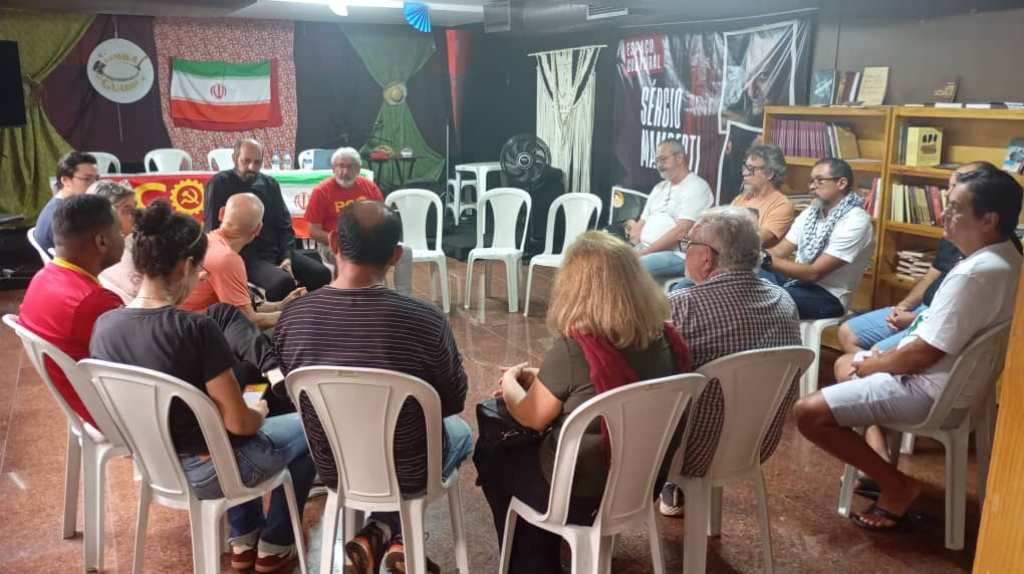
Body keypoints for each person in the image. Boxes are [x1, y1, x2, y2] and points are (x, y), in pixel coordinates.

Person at [794, 164, 1023, 531]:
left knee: (809, 412)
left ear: (988, 219)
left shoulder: (974, 273)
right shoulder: (1008, 256)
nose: (944, 215)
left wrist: (876, 365)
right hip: (949, 381)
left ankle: (896, 484)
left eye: (955, 208)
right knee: (845, 364)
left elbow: (922, 354)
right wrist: (882, 357)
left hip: (926, 388)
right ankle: (879, 463)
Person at [90, 200, 314, 573]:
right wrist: (257, 411)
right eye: (200, 271)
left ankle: (244, 538)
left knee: (232, 396)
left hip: (155, 463)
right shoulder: (195, 329)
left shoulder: (105, 326)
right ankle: (275, 544)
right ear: (185, 266)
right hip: (211, 469)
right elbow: (239, 425)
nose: (203, 278)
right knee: (312, 425)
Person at [474, 230, 693, 573]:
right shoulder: (666, 339)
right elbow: (608, 385)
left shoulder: (575, 349)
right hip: (641, 482)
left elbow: (530, 415)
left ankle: (531, 562)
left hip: (581, 493)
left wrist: (511, 380)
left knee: (493, 453)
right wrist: (544, 378)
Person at [274, 200, 471, 574]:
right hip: (410, 470)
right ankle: (395, 534)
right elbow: (452, 401)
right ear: (396, 256)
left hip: (334, 466)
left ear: (334, 242)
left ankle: (380, 531)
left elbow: (297, 397)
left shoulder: (293, 318)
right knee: (459, 432)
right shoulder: (425, 321)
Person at [659, 207, 801, 515]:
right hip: (756, 445)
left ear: (706, 258)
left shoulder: (681, 307)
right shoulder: (785, 301)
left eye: (687, 245)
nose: (684, 253)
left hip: (691, 451)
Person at [836, 163, 990, 353]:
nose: (949, 194)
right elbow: (932, 274)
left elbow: (955, 318)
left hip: (935, 320)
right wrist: (901, 308)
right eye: (949, 186)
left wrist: (915, 319)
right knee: (847, 332)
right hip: (923, 310)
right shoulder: (953, 233)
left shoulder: (981, 261)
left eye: (956, 186)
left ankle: (868, 367)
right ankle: (866, 367)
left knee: (876, 353)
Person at [18, 194, 125, 427]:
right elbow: (139, 360)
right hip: (110, 413)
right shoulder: (93, 301)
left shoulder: (43, 277)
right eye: (119, 232)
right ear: (102, 241)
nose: (123, 237)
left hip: (79, 399)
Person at [204, 138, 331, 301]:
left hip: (276, 251)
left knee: (322, 274)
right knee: (282, 282)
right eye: (246, 161)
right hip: (243, 255)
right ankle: (276, 313)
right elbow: (211, 228)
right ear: (235, 158)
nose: (252, 167)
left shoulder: (270, 184)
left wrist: (287, 257)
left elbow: (284, 225)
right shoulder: (219, 184)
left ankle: (304, 310)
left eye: (257, 162)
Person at [760, 157, 874, 319]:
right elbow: (780, 251)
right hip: (796, 282)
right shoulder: (811, 212)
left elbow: (814, 273)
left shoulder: (856, 220)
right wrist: (749, 255)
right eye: (811, 181)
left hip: (828, 295)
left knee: (759, 294)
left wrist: (762, 259)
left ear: (841, 183)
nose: (812, 186)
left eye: (819, 181)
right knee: (744, 279)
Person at [182, 193, 306, 329]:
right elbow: (248, 321)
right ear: (258, 229)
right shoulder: (226, 259)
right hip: (192, 332)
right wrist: (298, 313)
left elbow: (243, 307)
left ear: (221, 213)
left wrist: (282, 305)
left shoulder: (208, 242)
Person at [626, 138, 714, 284]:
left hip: (675, 254)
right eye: (657, 161)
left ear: (679, 158)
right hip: (644, 248)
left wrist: (641, 254)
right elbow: (641, 224)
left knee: (629, 267)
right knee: (608, 260)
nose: (659, 165)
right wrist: (628, 248)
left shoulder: (697, 187)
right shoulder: (658, 188)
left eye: (663, 159)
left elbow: (681, 231)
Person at [304, 147, 383, 247]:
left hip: (366, 242)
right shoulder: (321, 191)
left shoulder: (370, 188)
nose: (345, 172)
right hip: (333, 244)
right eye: (341, 166)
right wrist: (342, 243)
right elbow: (313, 230)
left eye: (350, 167)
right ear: (333, 169)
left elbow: (382, 220)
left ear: (358, 169)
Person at [730, 143, 795, 248]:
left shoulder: (782, 205)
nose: (744, 173)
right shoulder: (741, 198)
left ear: (769, 174)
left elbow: (755, 239)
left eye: (751, 169)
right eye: (744, 168)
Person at [34, 151, 99, 252]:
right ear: (65, 180)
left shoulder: (69, 205)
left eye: (97, 179)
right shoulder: (66, 215)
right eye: (87, 179)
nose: (95, 184)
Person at [90, 180, 143, 303]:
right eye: (127, 210)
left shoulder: (130, 238)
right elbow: (139, 293)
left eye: (134, 208)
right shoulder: (103, 250)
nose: (134, 215)